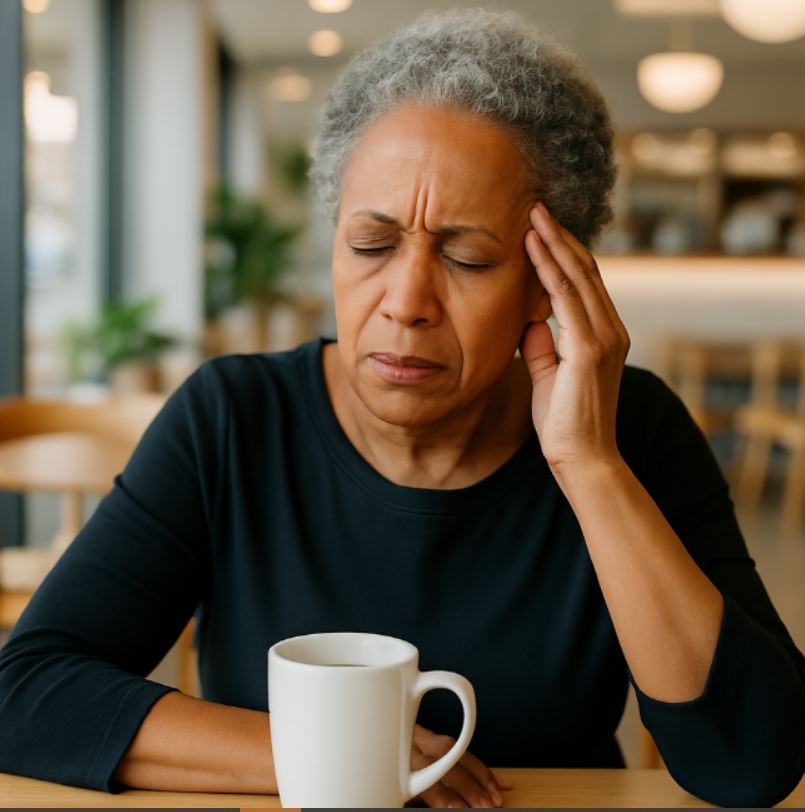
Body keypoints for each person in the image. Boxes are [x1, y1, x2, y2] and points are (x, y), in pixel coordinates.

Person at [1, 7, 803, 808]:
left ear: (547, 282)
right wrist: (339, 755)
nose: (406, 301)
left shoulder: (630, 431)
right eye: (371, 244)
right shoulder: (233, 417)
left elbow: (751, 760)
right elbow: (25, 692)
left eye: (466, 256)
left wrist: (588, 467)